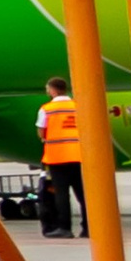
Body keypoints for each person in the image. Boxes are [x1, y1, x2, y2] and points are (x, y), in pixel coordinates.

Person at [37, 75, 86, 238]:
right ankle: (88, 227)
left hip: (57, 157)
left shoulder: (47, 109)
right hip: (79, 155)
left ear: (52, 90)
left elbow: (41, 131)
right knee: (83, 193)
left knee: (61, 194)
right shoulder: (78, 106)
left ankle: (64, 228)